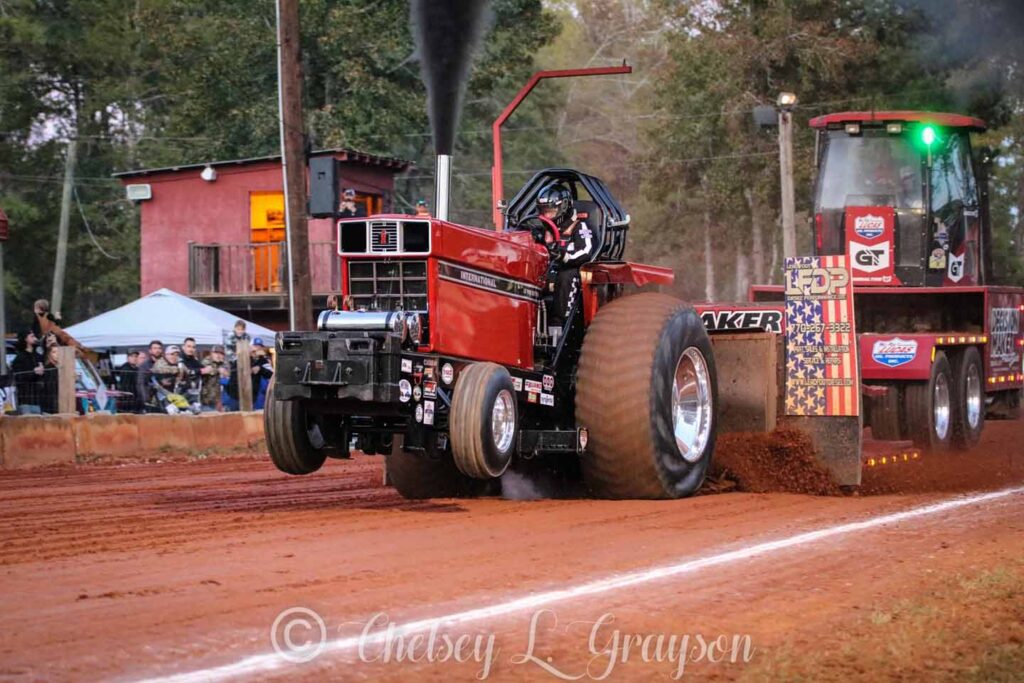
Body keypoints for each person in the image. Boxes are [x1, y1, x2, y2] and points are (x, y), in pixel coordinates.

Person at [524, 183, 594, 329]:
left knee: (566, 275)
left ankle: (560, 325)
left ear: (563, 207)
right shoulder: (541, 230)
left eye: (551, 211)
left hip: (572, 272)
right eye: (544, 211)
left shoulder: (578, 226)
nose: (547, 215)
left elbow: (587, 251)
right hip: (548, 272)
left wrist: (564, 256)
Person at [12, 330, 44, 412]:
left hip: (37, 399)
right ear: (25, 339)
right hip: (25, 399)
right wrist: (33, 372)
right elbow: (18, 377)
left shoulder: (37, 355)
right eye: (32, 336)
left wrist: (41, 371)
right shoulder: (20, 357)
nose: (35, 338)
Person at [136, 340, 164, 408]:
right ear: (150, 351)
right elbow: (141, 383)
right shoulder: (145, 365)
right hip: (151, 399)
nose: (157, 350)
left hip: (166, 398)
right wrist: (146, 399)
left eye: (159, 348)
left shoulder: (166, 363)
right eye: (155, 348)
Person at [200, 346, 227, 411]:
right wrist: (219, 370)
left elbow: (228, 374)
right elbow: (208, 370)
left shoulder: (222, 364)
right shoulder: (206, 362)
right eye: (216, 353)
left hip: (217, 400)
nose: (218, 355)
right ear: (211, 353)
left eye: (221, 353)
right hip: (206, 401)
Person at [40, 344, 61, 415]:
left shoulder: (62, 368)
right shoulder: (48, 369)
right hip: (51, 404)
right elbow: (50, 387)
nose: (57, 354)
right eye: (54, 352)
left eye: (59, 352)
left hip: (60, 402)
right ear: (49, 355)